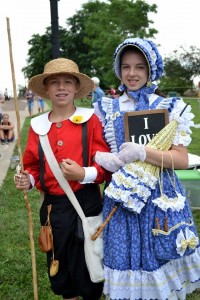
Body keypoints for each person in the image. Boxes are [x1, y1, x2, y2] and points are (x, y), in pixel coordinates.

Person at [94, 37, 200, 300]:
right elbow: (93, 150)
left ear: (151, 69)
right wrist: (105, 158)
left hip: (159, 199)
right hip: (123, 198)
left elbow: (182, 160)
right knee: (124, 260)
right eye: (126, 66)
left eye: (140, 67)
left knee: (158, 260)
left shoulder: (169, 107)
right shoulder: (106, 108)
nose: (132, 73)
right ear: (118, 69)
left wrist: (143, 152)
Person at [14, 57, 111, 300]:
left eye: (68, 82)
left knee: (89, 263)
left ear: (76, 88)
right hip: (53, 209)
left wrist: (83, 173)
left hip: (86, 203)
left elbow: (106, 167)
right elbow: (33, 168)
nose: (61, 87)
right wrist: (30, 180)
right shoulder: (37, 126)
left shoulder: (91, 120)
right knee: (61, 266)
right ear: (45, 89)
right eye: (54, 82)